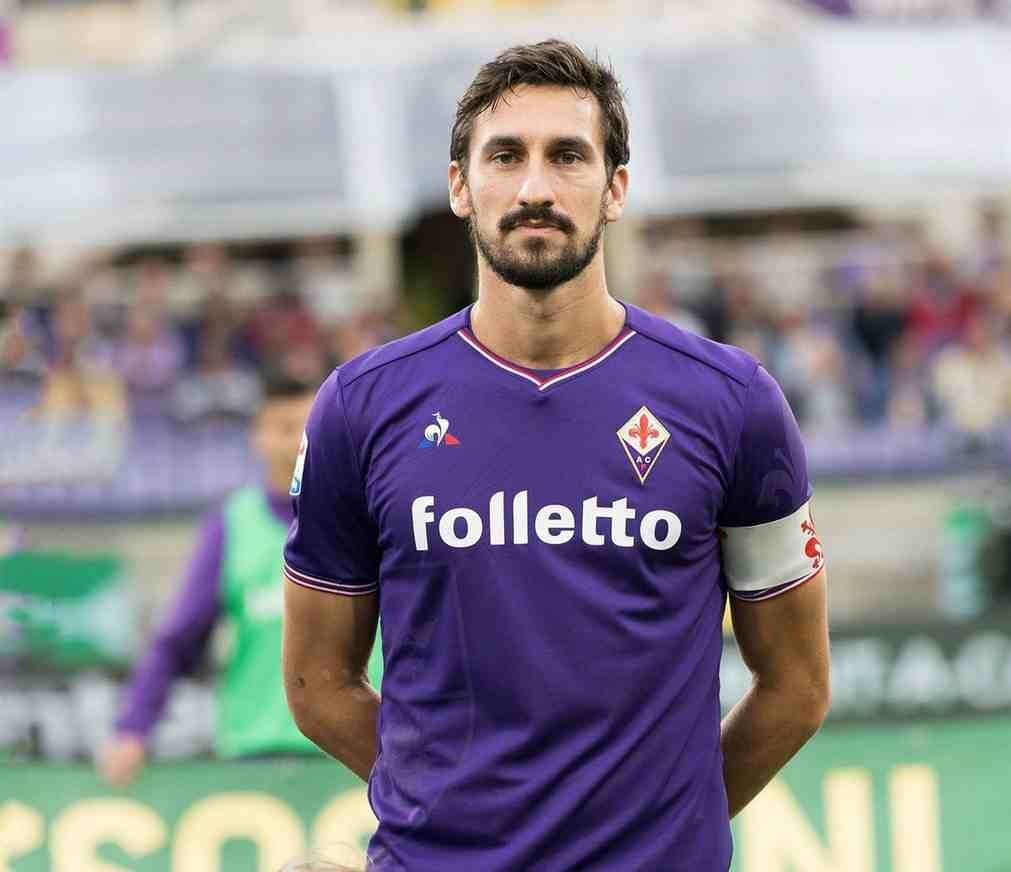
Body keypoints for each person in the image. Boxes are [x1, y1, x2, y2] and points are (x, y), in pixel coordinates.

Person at [282, 40, 830, 872]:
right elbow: (316, 684)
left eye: (567, 156)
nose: (534, 187)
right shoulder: (362, 408)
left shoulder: (733, 404)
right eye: (505, 156)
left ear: (615, 189)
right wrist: (453, 818)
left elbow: (797, 686)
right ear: (460, 186)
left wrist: (659, 828)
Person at [98, 375, 382, 787]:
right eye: (286, 428)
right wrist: (133, 729)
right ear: (258, 437)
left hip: (360, 756)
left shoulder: (374, 517)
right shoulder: (233, 525)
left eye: (312, 425)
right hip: (254, 759)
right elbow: (179, 638)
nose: (301, 440)